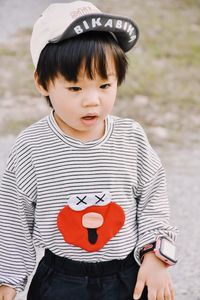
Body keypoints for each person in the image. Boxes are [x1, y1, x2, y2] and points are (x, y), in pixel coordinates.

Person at [0, 1, 178, 300]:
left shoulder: (130, 137)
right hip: (60, 280)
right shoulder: (32, 146)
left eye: (105, 85)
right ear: (43, 83)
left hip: (128, 276)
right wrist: (8, 280)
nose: (92, 101)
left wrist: (155, 256)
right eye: (75, 88)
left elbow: (153, 198)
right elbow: (14, 218)